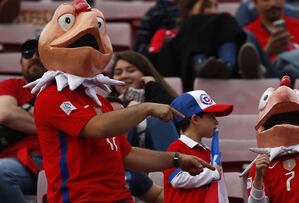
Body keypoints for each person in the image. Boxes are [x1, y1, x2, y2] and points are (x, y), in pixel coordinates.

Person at [28, 1, 215, 202]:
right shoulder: (51, 95)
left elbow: (127, 155)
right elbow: (96, 128)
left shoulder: (101, 102)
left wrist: (177, 159)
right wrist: (145, 108)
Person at [108, 51, 180, 203]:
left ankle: (176, 175)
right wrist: (127, 105)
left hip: (161, 162)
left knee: (160, 119)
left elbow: (175, 114)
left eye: (131, 70)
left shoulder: (158, 94)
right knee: (122, 116)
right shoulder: (108, 103)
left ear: (145, 73)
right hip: (129, 167)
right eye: (118, 72)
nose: (123, 76)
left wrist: (152, 86)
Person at [158, 0, 247, 91]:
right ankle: (200, 64)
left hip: (230, 75)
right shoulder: (171, 35)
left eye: (215, 6)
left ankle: (226, 66)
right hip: (187, 76)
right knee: (196, 22)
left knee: (227, 21)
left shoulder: (223, 23)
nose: (213, 11)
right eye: (206, 6)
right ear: (190, 10)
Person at [163, 90, 233, 203]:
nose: (216, 122)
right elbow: (177, 179)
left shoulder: (208, 152)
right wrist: (212, 173)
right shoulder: (175, 148)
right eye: (211, 116)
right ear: (195, 119)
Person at [0, 37, 46, 202]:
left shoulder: (61, 88)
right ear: (21, 64)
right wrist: (48, 126)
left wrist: (20, 115)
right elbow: (6, 114)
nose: (34, 57)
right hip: (10, 158)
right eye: (28, 54)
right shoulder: (11, 85)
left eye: (40, 53)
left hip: (45, 159)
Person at [235, 0, 299, 27]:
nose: (273, 3)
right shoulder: (248, 5)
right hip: (264, 61)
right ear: (255, 2)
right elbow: (242, 36)